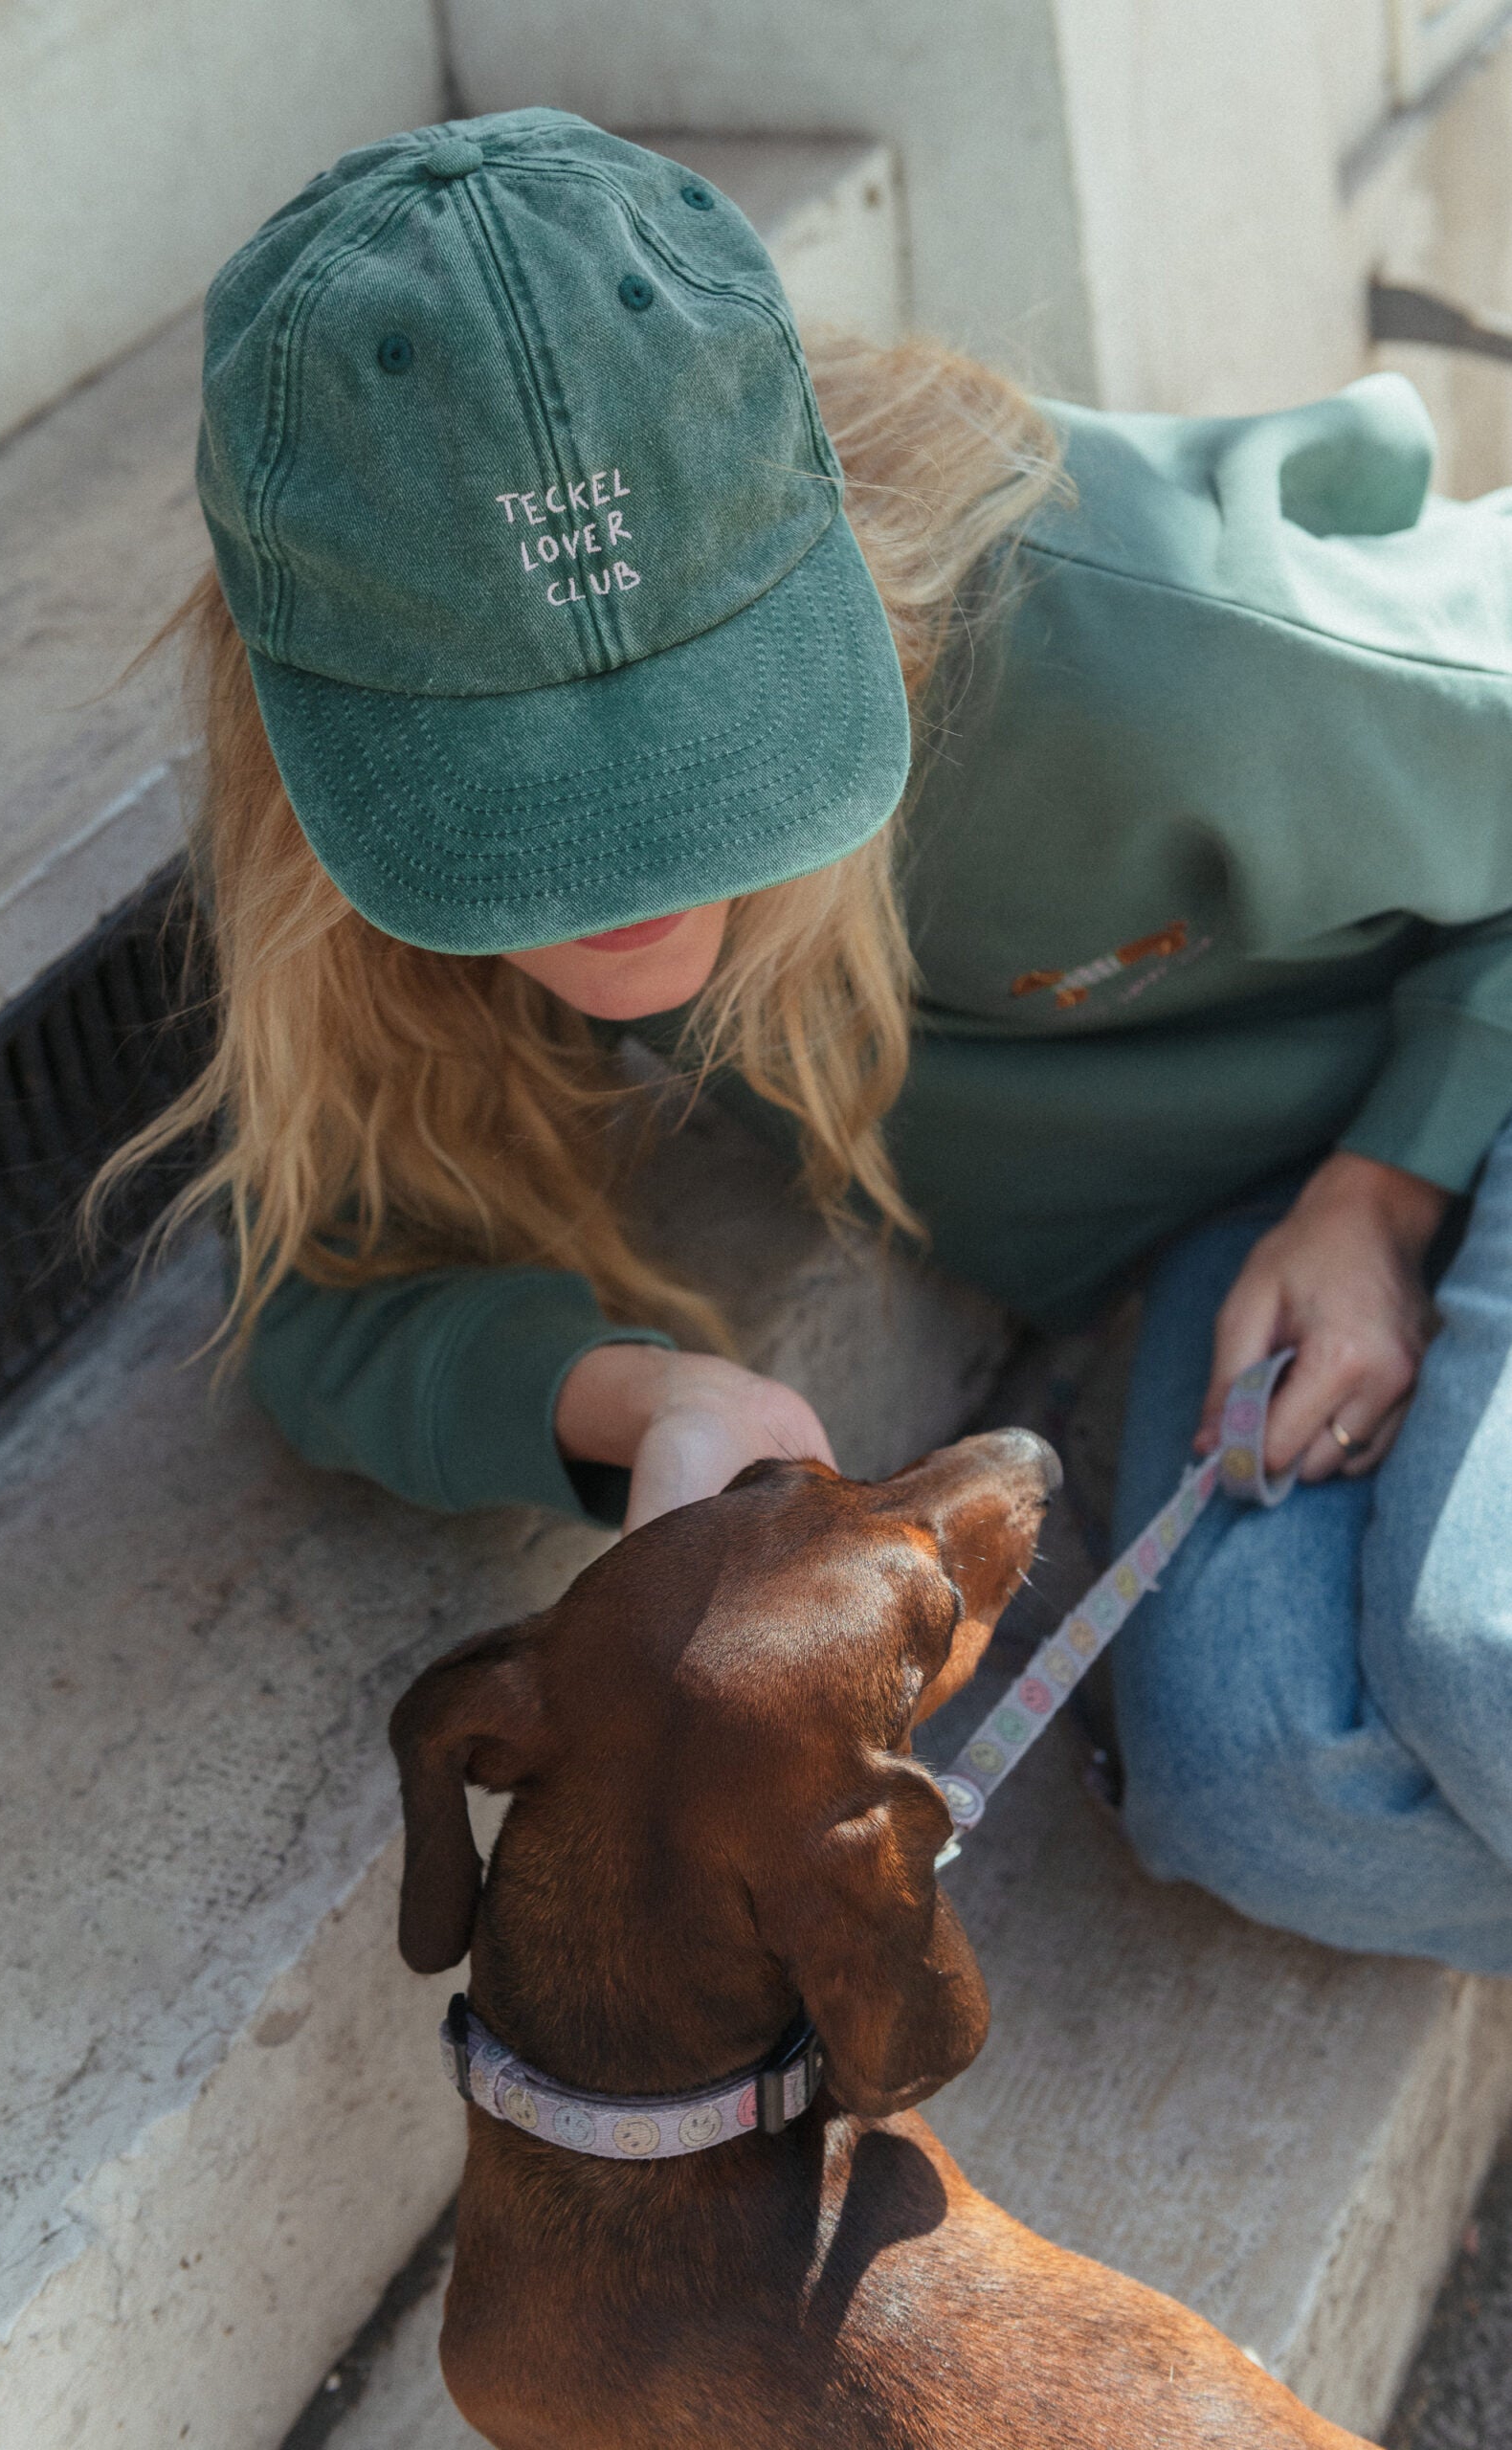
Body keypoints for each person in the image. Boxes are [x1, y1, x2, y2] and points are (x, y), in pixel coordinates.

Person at [100, 109, 1512, 1970]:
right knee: (1266, 1781)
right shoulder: (337, 873)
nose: (624, 864)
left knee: (1474, 1649)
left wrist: (1387, 1185)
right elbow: (326, 1286)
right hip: (1224, 1225)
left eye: (694, 727)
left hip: (1448, 1048)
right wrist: (647, 1400)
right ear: (326, 713)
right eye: (506, 773)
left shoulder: (1106, 647)